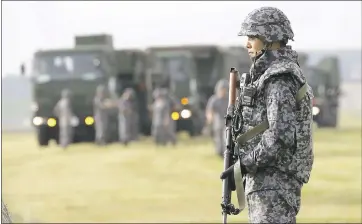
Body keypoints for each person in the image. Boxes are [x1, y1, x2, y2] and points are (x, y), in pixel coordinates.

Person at [221, 6, 314, 223]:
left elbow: (278, 136)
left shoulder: (279, 78)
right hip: (266, 182)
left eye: (253, 37)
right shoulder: (268, 75)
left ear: (269, 38)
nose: (247, 44)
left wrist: (244, 164)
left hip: (274, 184)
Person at [205, 79, 229, 157]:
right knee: (218, 138)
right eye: (222, 89)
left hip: (227, 121)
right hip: (218, 120)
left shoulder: (228, 99)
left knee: (225, 137)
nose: (223, 91)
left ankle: (226, 152)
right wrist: (210, 118)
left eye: (225, 89)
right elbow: (210, 110)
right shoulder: (214, 99)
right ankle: (219, 152)